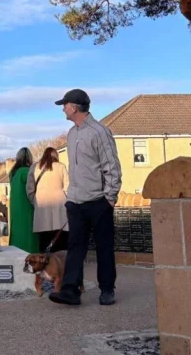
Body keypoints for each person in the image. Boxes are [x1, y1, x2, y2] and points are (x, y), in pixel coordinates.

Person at [49, 89, 122, 306]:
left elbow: (112, 166)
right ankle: (70, 291)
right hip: (76, 201)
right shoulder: (72, 134)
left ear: (74, 107)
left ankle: (107, 289)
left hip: (99, 201)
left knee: (104, 247)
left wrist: (110, 196)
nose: (63, 108)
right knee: (75, 248)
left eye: (65, 105)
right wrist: (70, 198)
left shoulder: (99, 132)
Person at [26, 147, 69, 253]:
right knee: (60, 241)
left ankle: (45, 266)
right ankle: (60, 266)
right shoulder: (61, 167)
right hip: (60, 207)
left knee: (44, 241)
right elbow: (68, 188)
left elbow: (29, 189)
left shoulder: (35, 167)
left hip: (42, 207)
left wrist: (35, 202)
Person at [7, 147, 40, 254]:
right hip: (26, 208)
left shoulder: (14, 174)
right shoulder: (27, 172)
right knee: (28, 235)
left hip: (16, 210)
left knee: (17, 234)